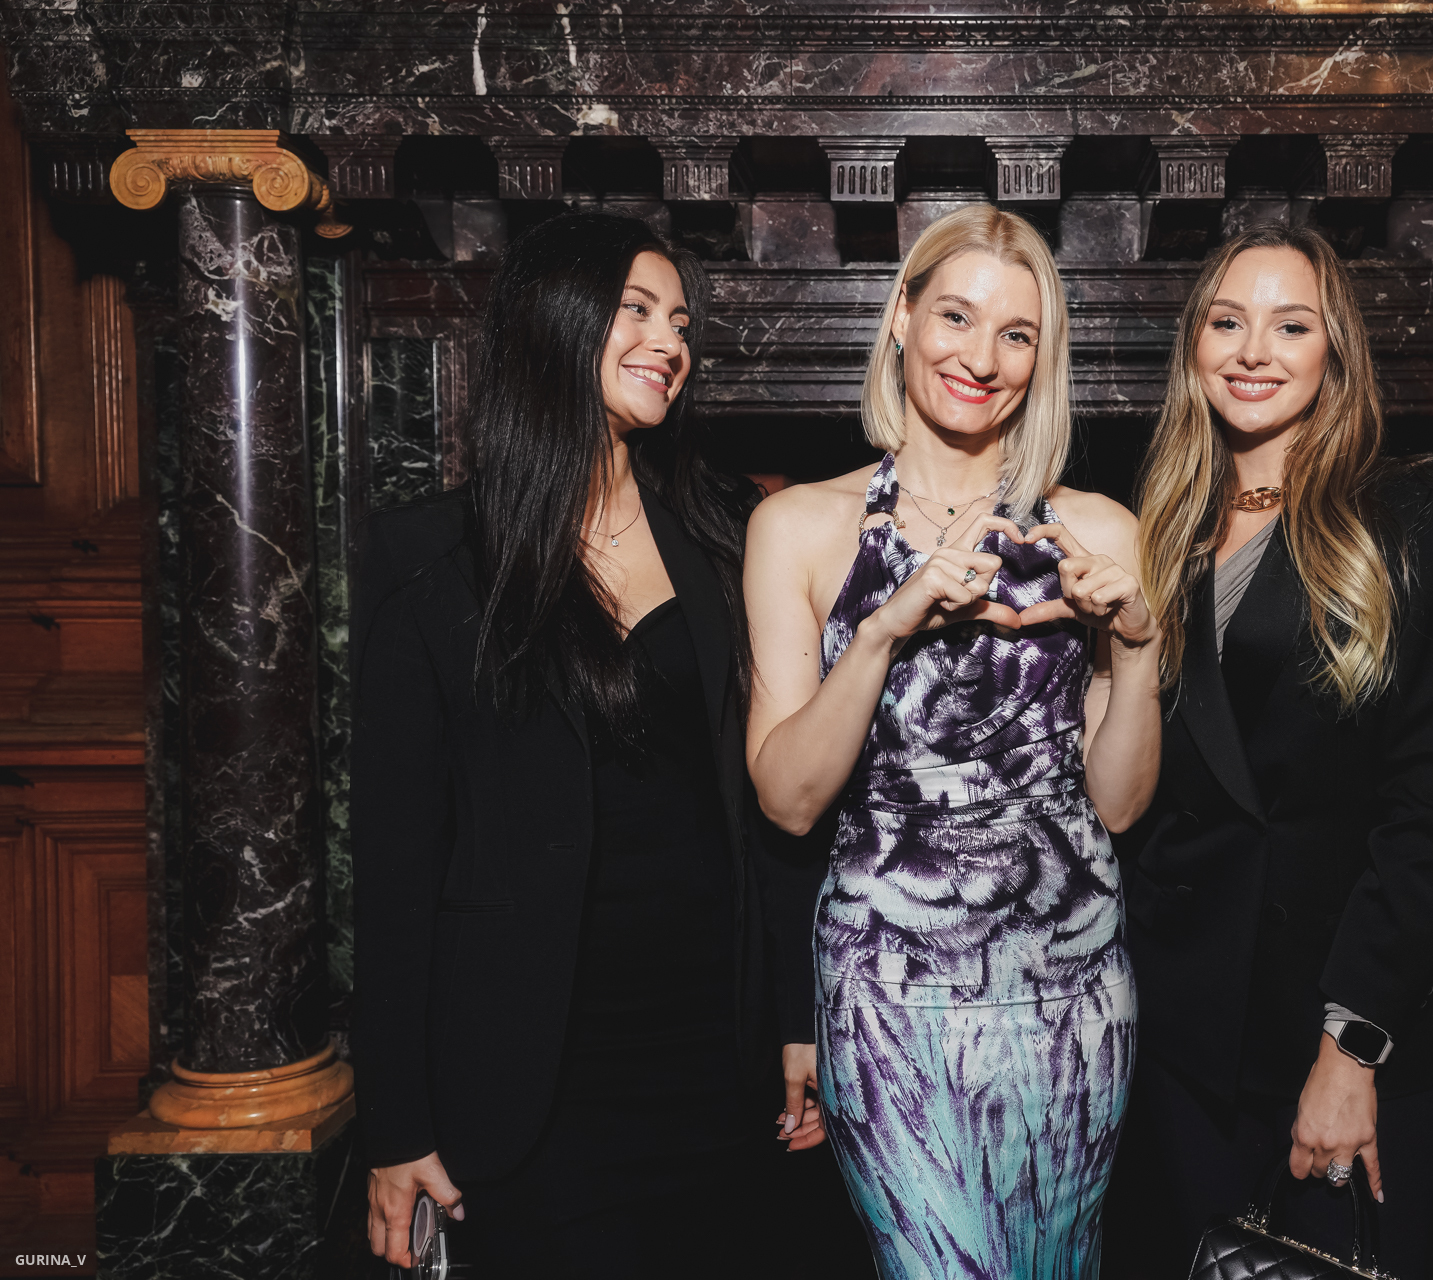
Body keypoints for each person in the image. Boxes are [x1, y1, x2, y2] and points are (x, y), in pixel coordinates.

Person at [351, 212, 792, 1274]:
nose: (669, 343)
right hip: (525, 1065)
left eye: (680, 322)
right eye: (637, 310)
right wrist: (396, 1124)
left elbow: (771, 807)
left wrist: (795, 1017)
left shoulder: (728, 534)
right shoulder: (429, 560)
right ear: (555, 319)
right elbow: (395, 865)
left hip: (707, 1044)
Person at [743, 205, 1162, 1279]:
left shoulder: (1099, 530)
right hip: (892, 992)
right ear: (902, 315)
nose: (982, 358)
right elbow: (788, 797)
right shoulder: (802, 528)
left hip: (1074, 989)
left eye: (1017, 334)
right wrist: (885, 626)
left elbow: (1118, 806)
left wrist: (1139, 646)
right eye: (958, 317)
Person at [1107, 223, 1433, 1280]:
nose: (1253, 351)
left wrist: (1351, 1045)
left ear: (1337, 352)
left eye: (1291, 326)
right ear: (1194, 346)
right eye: (1226, 323)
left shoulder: (1418, 515)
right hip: (1182, 1039)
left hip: (1351, 1026)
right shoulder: (1154, 531)